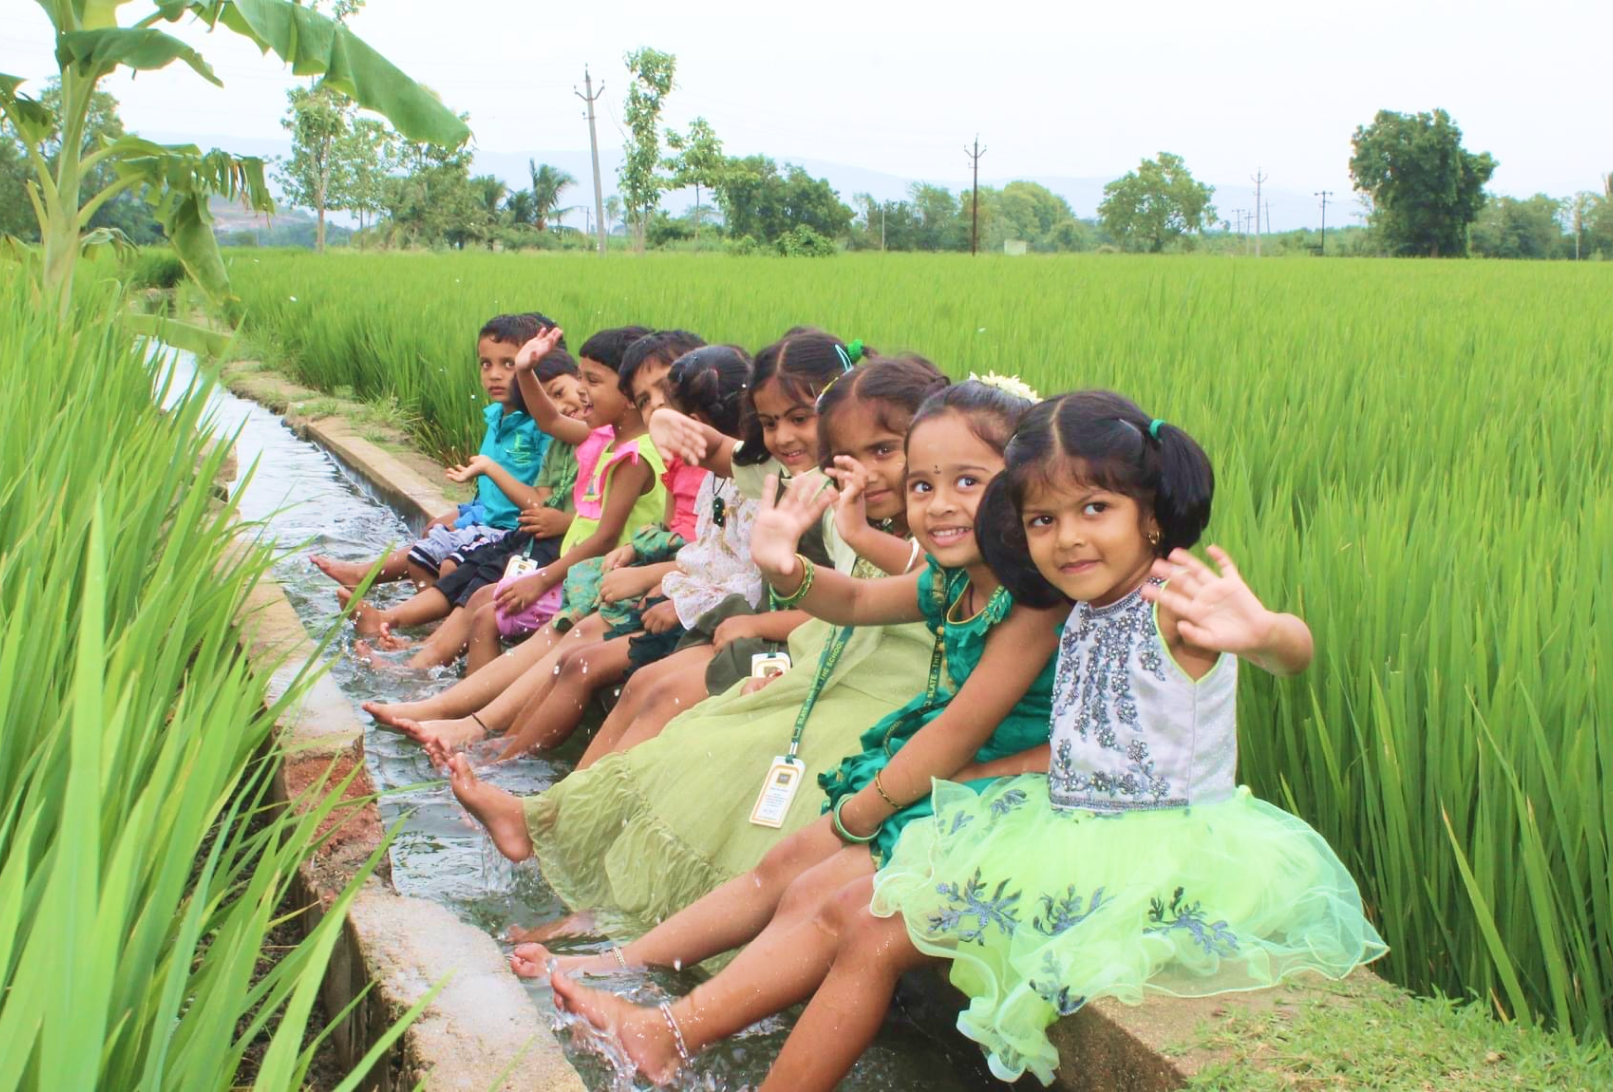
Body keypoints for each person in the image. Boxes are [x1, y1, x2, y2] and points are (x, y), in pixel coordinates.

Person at [542, 390, 1388, 1091]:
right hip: (1063, 816)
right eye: (1045, 519)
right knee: (847, 903)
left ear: (1154, 515)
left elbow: (1291, 652)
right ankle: (668, 1033)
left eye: (1096, 509)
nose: (1068, 538)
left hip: (1152, 852)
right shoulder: (1084, 607)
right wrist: (993, 780)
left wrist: (1266, 628)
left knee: (868, 924)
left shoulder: (1173, 602)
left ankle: (680, 1040)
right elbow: (1088, 746)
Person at [449, 378, 1059, 990]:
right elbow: (853, 595)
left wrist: (867, 806)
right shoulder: (934, 562)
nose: (937, 500)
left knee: (770, 818)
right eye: (925, 483)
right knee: (695, 737)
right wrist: (786, 564)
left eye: (967, 482)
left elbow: (959, 719)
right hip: (862, 690)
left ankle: (640, 971)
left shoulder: (1027, 594)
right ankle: (595, 904)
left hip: (915, 730)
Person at [352, 325, 674, 672]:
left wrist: (542, 579)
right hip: (576, 571)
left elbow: (604, 538)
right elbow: (550, 420)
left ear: (628, 394)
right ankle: (422, 663)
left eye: (592, 381)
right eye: (580, 378)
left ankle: (453, 697)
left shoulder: (632, 456)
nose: (581, 391)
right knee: (482, 597)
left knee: (491, 612)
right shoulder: (606, 437)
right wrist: (523, 369)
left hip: (594, 580)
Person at [311, 313, 561, 592]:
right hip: (488, 511)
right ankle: (394, 592)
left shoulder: (541, 426)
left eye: (509, 364)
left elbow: (541, 492)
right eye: (486, 364)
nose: (494, 374)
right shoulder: (496, 416)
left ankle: (424, 610)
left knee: (438, 556)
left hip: (510, 523)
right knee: (434, 529)